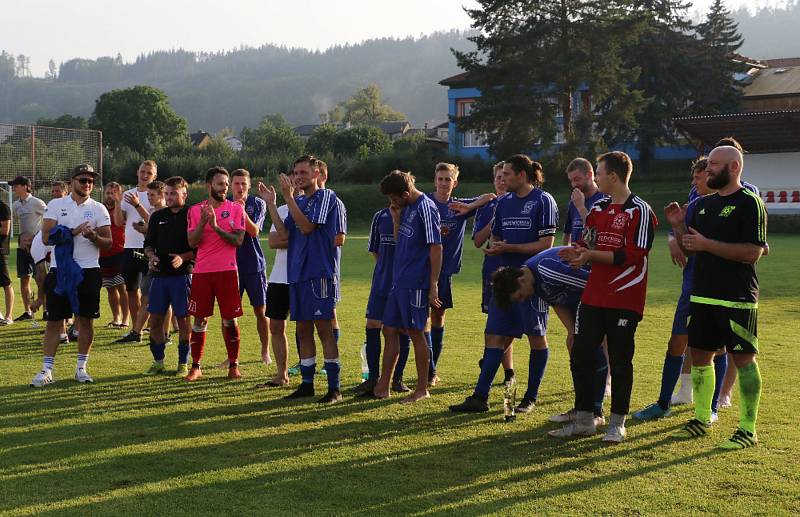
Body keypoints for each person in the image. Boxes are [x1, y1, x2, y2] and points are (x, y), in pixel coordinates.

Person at [550, 151, 656, 443]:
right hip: (594, 295)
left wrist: (590, 254)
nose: (595, 177)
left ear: (613, 175)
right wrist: (576, 253)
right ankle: (585, 419)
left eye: (598, 172)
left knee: (620, 361)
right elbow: (587, 241)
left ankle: (617, 424)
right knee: (582, 353)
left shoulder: (640, 211)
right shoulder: (597, 210)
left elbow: (633, 255)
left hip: (625, 297)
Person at [668, 146, 767, 449]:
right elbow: (690, 250)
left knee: (744, 359)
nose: (707, 170)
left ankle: (747, 429)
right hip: (703, 295)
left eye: (714, 165)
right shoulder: (701, 205)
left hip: (737, 298)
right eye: (708, 165)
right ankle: (700, 418)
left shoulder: (750, 203)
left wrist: (707, 244)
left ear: (734, 167)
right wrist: (678, 227)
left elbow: (752, 253)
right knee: (700, 357)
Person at [449, 155, 557, 414]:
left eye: (507, 174)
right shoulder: (504, 202)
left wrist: (511, 247)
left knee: (536, 337)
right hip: (504, 281)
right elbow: (497, 234)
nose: (502, 178)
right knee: (495, 335)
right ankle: (480, 397)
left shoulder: (543, 201)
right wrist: (498, 247)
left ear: (521, 175)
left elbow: (546, 245)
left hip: (531, 281)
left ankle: (530, 397)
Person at [454, 247, 604, 425]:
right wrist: (572, 331)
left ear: (521, 280)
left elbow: (598, 285)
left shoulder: (547, 270)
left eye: (519, 295)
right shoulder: (534, 280)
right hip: (580, 304)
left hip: (598, 301)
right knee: (576, 347)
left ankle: (595, 411)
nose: (522, 300)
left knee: (595, 352)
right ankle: (582, 409)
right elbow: (556, 300)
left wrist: (596, 325)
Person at [263, 155, 344, 404]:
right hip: (296, 274)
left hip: (318, 273)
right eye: (295, 173)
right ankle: (306, 385)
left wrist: (289, 197)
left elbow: (308, 227)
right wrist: (272, 205)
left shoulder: (326, 197)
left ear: (317, 174)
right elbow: (285, 232)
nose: (298, 177)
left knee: (324, 330)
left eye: (303, 173)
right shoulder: (300, 201)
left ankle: (334, 388)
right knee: (303, 329)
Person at [30, 164, 112, 387]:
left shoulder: (99, 208)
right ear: (72, 182)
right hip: (61, 271)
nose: (87, 184)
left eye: (91, 181)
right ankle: (47, 370)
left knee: (85, 321)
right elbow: (46, 237)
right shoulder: (57, 205)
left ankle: (81, 368)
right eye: (83, 180)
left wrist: (94, 236)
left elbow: (108, 243)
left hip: (89, 271)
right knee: (54, 322)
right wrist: (72, 232)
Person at [367, 170, 443, 403]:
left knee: (416, 333)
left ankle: (422, 389)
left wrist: (433, 284)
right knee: (388, 329)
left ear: (406, 192)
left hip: (416, 283)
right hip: (398, 282)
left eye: (393, 198)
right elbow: (403, 242)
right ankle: (383, 385)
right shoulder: (407, 209)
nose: (392, 202)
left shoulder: (426, 208)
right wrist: (397, 219)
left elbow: (436, 247)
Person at [425, 162, 494, 385]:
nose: (444, 183)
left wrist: (469, 206)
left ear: (455, 183)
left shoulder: (459, 207)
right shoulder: (425, 203)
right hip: (421, 269)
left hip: (444, 272)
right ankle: (422, 368)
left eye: (448, 179)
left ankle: (431, 370)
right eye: (440, 179)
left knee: (438, 316)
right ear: (435, 180)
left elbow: (491, 196)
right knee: (418, 320)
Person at [185, 167, 246, 381]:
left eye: (227, 184)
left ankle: (233, 365)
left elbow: (238, 241)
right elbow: (192, 242)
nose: (225, 188)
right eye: (221, 184)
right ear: (209, 185)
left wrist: (217, 227)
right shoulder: (194, 211)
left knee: (230, 320)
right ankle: (196, 366)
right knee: (199, 320)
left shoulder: (236, 209)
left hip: (228, 272)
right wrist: (203, 222)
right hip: (202, 272)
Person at [143, 176, 195, 376]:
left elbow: (201, 246)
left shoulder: (192, 214)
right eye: (167, 193)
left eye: (173, 193)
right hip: (159, 276)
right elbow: (148, 244)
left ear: (184, 194)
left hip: (182, 276)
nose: (169, 197)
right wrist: (152, 256)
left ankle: (183, 363)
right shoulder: (157, 216)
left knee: (183, 321)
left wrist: (183, 257)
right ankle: (158, 362)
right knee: (155, 322)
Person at [224, 169, 271, 367]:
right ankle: (231, 356)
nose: (240, 187)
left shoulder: (257, 203)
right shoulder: (223, 204)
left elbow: (254, 231)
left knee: (260, 311)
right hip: (228, 266)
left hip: (253, 265)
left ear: (249, 186)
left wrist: (241, 211)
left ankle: (265, 351)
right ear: (230, 185)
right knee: (228, 314)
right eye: (236, 183)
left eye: (244, 184)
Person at [472, 162, 514, 383]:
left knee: (510, 321)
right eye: (498, 177)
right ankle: (507, 372)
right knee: (495, 322)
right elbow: (478, 241)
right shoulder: (486, 206)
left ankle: (493, 361)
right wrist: (493, 220)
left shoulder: (519, 203)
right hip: (491, 269)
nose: (502, 181)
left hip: (513, 269)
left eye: (505, 176)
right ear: (494, 180)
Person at [256, 175, 294, 387]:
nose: (294, 183)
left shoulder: (310, 208)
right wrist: (291, 238)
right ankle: (282, 375)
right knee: (276, 327)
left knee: (307, 328)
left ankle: (309, 374)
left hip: (301, 277)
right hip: (279, 278)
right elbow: (272, 241)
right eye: (292, 179)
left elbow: (301, 236)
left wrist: (290, 238)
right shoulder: (281, 211)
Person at [117, 160, 157, 343]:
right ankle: (136, 330)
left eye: (149, 172)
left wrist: (137, 205)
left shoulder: (156, 195)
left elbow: (154, 222)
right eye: (143, 171)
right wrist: (119, 202)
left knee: (150, 293)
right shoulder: (127, 194)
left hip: (149, 248)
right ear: (137, 172)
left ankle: (154, 328)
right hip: (129, 247)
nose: (145, 175)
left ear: (154, 175)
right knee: (131, 290)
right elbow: (119, 222)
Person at [10, 176, 47, 321]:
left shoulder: (36, 202)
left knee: (41, 279)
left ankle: (46, 310)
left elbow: (51, 217)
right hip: (22, 247)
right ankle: (28, 312)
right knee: (24, 279)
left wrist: (38, 237)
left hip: (37, 247)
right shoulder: (16, 205)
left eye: (16, 185)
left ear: (25, 186)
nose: (13, 188)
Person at [100, 182, 129, 328]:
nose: (110, 196)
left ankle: (125, 319)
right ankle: (116, 317)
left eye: (114, 193)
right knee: (110, 287)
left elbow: (119, 223)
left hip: (120, 252)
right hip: (103, 253)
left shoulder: (123, 208)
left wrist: (118, 202)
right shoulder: (100, 209)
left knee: (121, 287)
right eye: (108, 193)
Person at [0, 196, 12, 325]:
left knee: (6, 283)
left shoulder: (3, 207)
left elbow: (5, 230)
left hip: (0, 250)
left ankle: (9, 316)